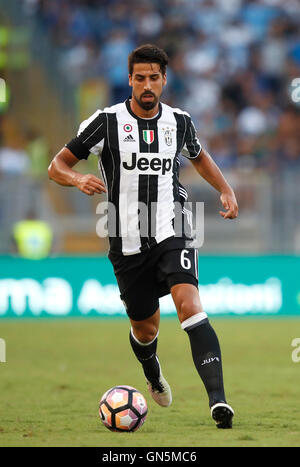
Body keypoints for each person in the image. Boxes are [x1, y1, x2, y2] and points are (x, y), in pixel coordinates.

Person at [48, 44, 238, 429]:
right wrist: (77, 177)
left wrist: (225, 189)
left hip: (173, 226)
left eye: (154, 78)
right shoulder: (105, 122)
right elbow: (57, 166)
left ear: (164, 80)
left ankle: (218, 402)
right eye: (140, 78)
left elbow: (198, 156)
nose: (147, 85)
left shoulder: (180, 122)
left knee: (189, 304)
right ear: (130, 80)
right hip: (125, 236)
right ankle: (152, 371)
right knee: (145, 327)